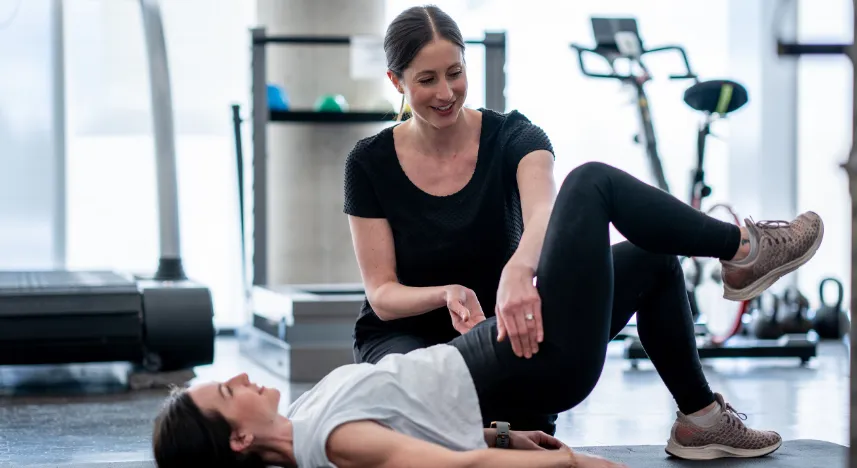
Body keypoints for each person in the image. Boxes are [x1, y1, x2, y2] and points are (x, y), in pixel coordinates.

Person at [151, 164, 825, 467]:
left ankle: (699, 420)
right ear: (238, 439)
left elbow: (422, 423)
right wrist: (570, 465)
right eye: (226, 394)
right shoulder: (331, 443)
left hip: (498, 356)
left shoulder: (306, 417)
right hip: (531, 364)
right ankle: (743, 251)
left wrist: (506, 437)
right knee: (590, 184)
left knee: (652, 258)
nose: (237, 379)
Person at [343, 4, 561, 435]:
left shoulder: (516, 137)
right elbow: (382, 295)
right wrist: (447, 294)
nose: (446, 93)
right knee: (424, 398)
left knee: (525, 423)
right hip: (403, 338)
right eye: (427, 79)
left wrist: (520, 269)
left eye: (455, 73)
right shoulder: (368, 162)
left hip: (493, 330)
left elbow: (545, 214)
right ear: (396, 81)